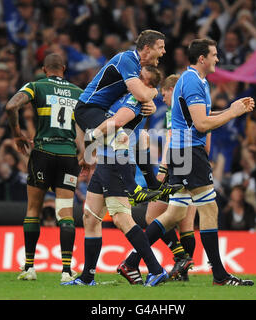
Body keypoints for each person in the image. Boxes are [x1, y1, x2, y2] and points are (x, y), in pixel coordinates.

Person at [120, 38, 255, 286]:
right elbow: (202, 125)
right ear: (202, 58)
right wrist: (232, 112)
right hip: (190, 152)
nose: (217, 59)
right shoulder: (193, 81)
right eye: (214, 55)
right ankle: (220, 276)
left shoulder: (195, 80)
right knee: (209, 209)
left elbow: (197, 119)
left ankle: (130, 262)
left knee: (175, 212)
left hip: (182, 152)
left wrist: (230, 109)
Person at [62, 66, 168, 287]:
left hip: (117, 164)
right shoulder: (126, 94)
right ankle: (87, 277)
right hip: (104, 161)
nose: (136, 80)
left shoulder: (135, 102)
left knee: (121, 219)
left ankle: (156, 270)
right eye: (137, 76)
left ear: (148, 86)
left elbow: (117, 126)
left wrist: (91, 137)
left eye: (142, 79)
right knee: (90, 218)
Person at [5, 53, 83, 283]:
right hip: (68, 155)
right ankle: (67, 271)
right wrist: (87, 155)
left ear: (44, 68)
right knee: (65, 213)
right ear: (64, 69)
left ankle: (29, 267)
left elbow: (11, 106)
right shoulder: (78, 93)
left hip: (42, 152)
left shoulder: (36, 86)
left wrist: (17, 134)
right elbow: (89, 126)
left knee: (33, 209)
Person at [74, 29, 169, 205]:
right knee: (120, 135)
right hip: (88, 108)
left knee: (140, 137)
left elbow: (141, 97)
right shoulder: (127, 59)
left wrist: (151, 103)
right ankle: (133, 190)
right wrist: (155, 92)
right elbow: (141, 95)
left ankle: (154, 185)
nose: (164, 51)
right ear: (147, 48)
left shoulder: (135, 66)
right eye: (161, 47)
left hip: (102, 110)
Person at [120, 74, 197, 283]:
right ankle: (183, 271)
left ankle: (179, 257)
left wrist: (163, 167)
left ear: (172, 90)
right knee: (186, 223)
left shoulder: (176, 110)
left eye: (164, 94)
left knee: (152, 217)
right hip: (194, 165)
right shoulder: (194, 107)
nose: (163, 99)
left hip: (176, 167)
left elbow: (172, 139)